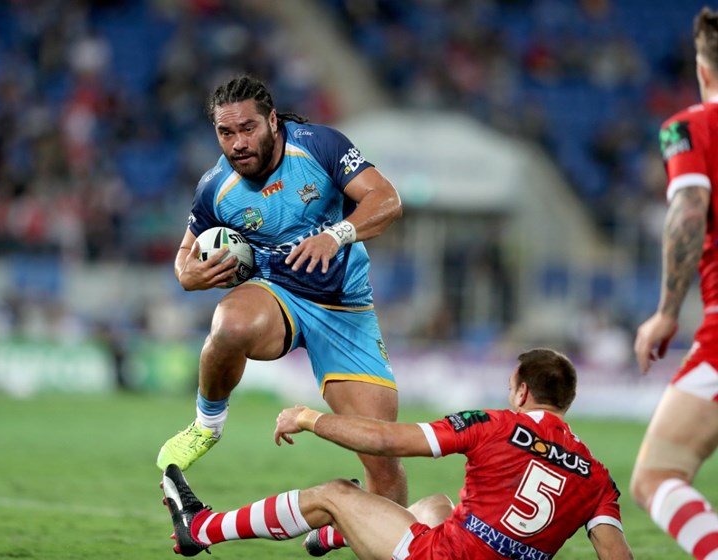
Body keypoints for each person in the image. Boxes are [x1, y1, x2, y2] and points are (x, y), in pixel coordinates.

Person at [156, 75, 408, 508]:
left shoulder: (319, 146)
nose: (237, 143)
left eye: (247, 128)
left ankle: (367, 536)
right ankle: (206, 424)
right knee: (230, 324)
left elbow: (387, 200)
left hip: (345, 310)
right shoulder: (215, 188)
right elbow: (184, 258)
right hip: (278, 292)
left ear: (272, 121)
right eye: (225, 132)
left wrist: (336, 235)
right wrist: (187, 276)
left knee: (381, 455)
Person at [161, 348, 633, 559]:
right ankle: (331, 540)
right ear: (565, 402)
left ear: (521, 390)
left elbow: (389, 441)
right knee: (434, 507)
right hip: (464, 548)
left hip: (440, 559)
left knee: (335, 493)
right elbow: (615, 556)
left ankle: (199, 530)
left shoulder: (495, 425)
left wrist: (309, 419)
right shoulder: (596, 476)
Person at [631, 8, 718, 559]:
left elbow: (689, 209)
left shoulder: (691, 127)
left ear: (703, 69)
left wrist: (666, 310)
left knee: (656, 475)